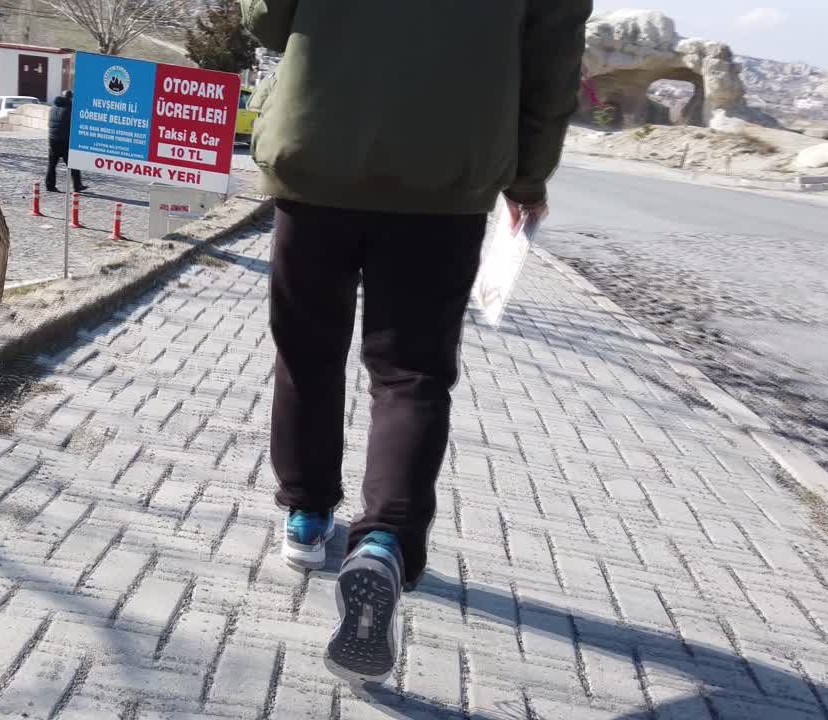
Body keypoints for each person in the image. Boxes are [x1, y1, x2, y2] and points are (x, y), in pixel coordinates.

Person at [241, 0, 592, 682]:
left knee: (308, 352)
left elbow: (265, 17)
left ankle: (308, 519)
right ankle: (382, 542)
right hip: (448, 171)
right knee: (411, 374)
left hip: (320, 145)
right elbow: (552, 61)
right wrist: (528, 177)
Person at [45, 90, 85, 193]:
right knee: (74, 164)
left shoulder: (53, 108)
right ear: (70, 98)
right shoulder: (69, 109)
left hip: (52, 140)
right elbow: (73, 126)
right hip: (64, 141)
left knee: (52, 165)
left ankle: (50, 185)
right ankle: (77, 185)